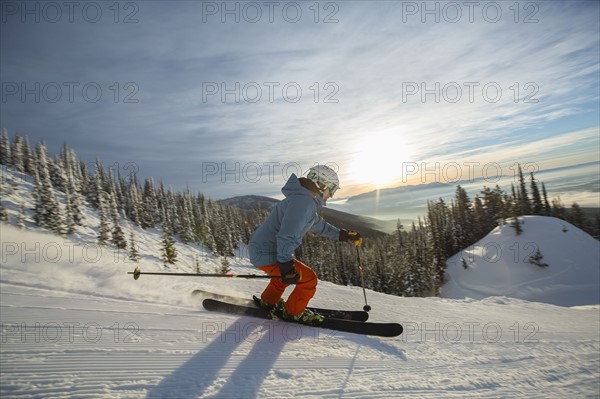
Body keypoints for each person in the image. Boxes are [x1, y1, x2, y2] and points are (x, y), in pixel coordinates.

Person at [248, 165, 362, 325]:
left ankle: (268, 301)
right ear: (321, 185)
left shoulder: (303, 200)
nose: (331, 195)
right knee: (309, 280)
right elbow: (287, 235)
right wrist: (286, 264)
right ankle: (293, 313)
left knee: (281, 278)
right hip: (268, 253)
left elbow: (320, 226)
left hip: (262, 250)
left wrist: (343, 235)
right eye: (331, 190)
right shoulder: (303, 202)